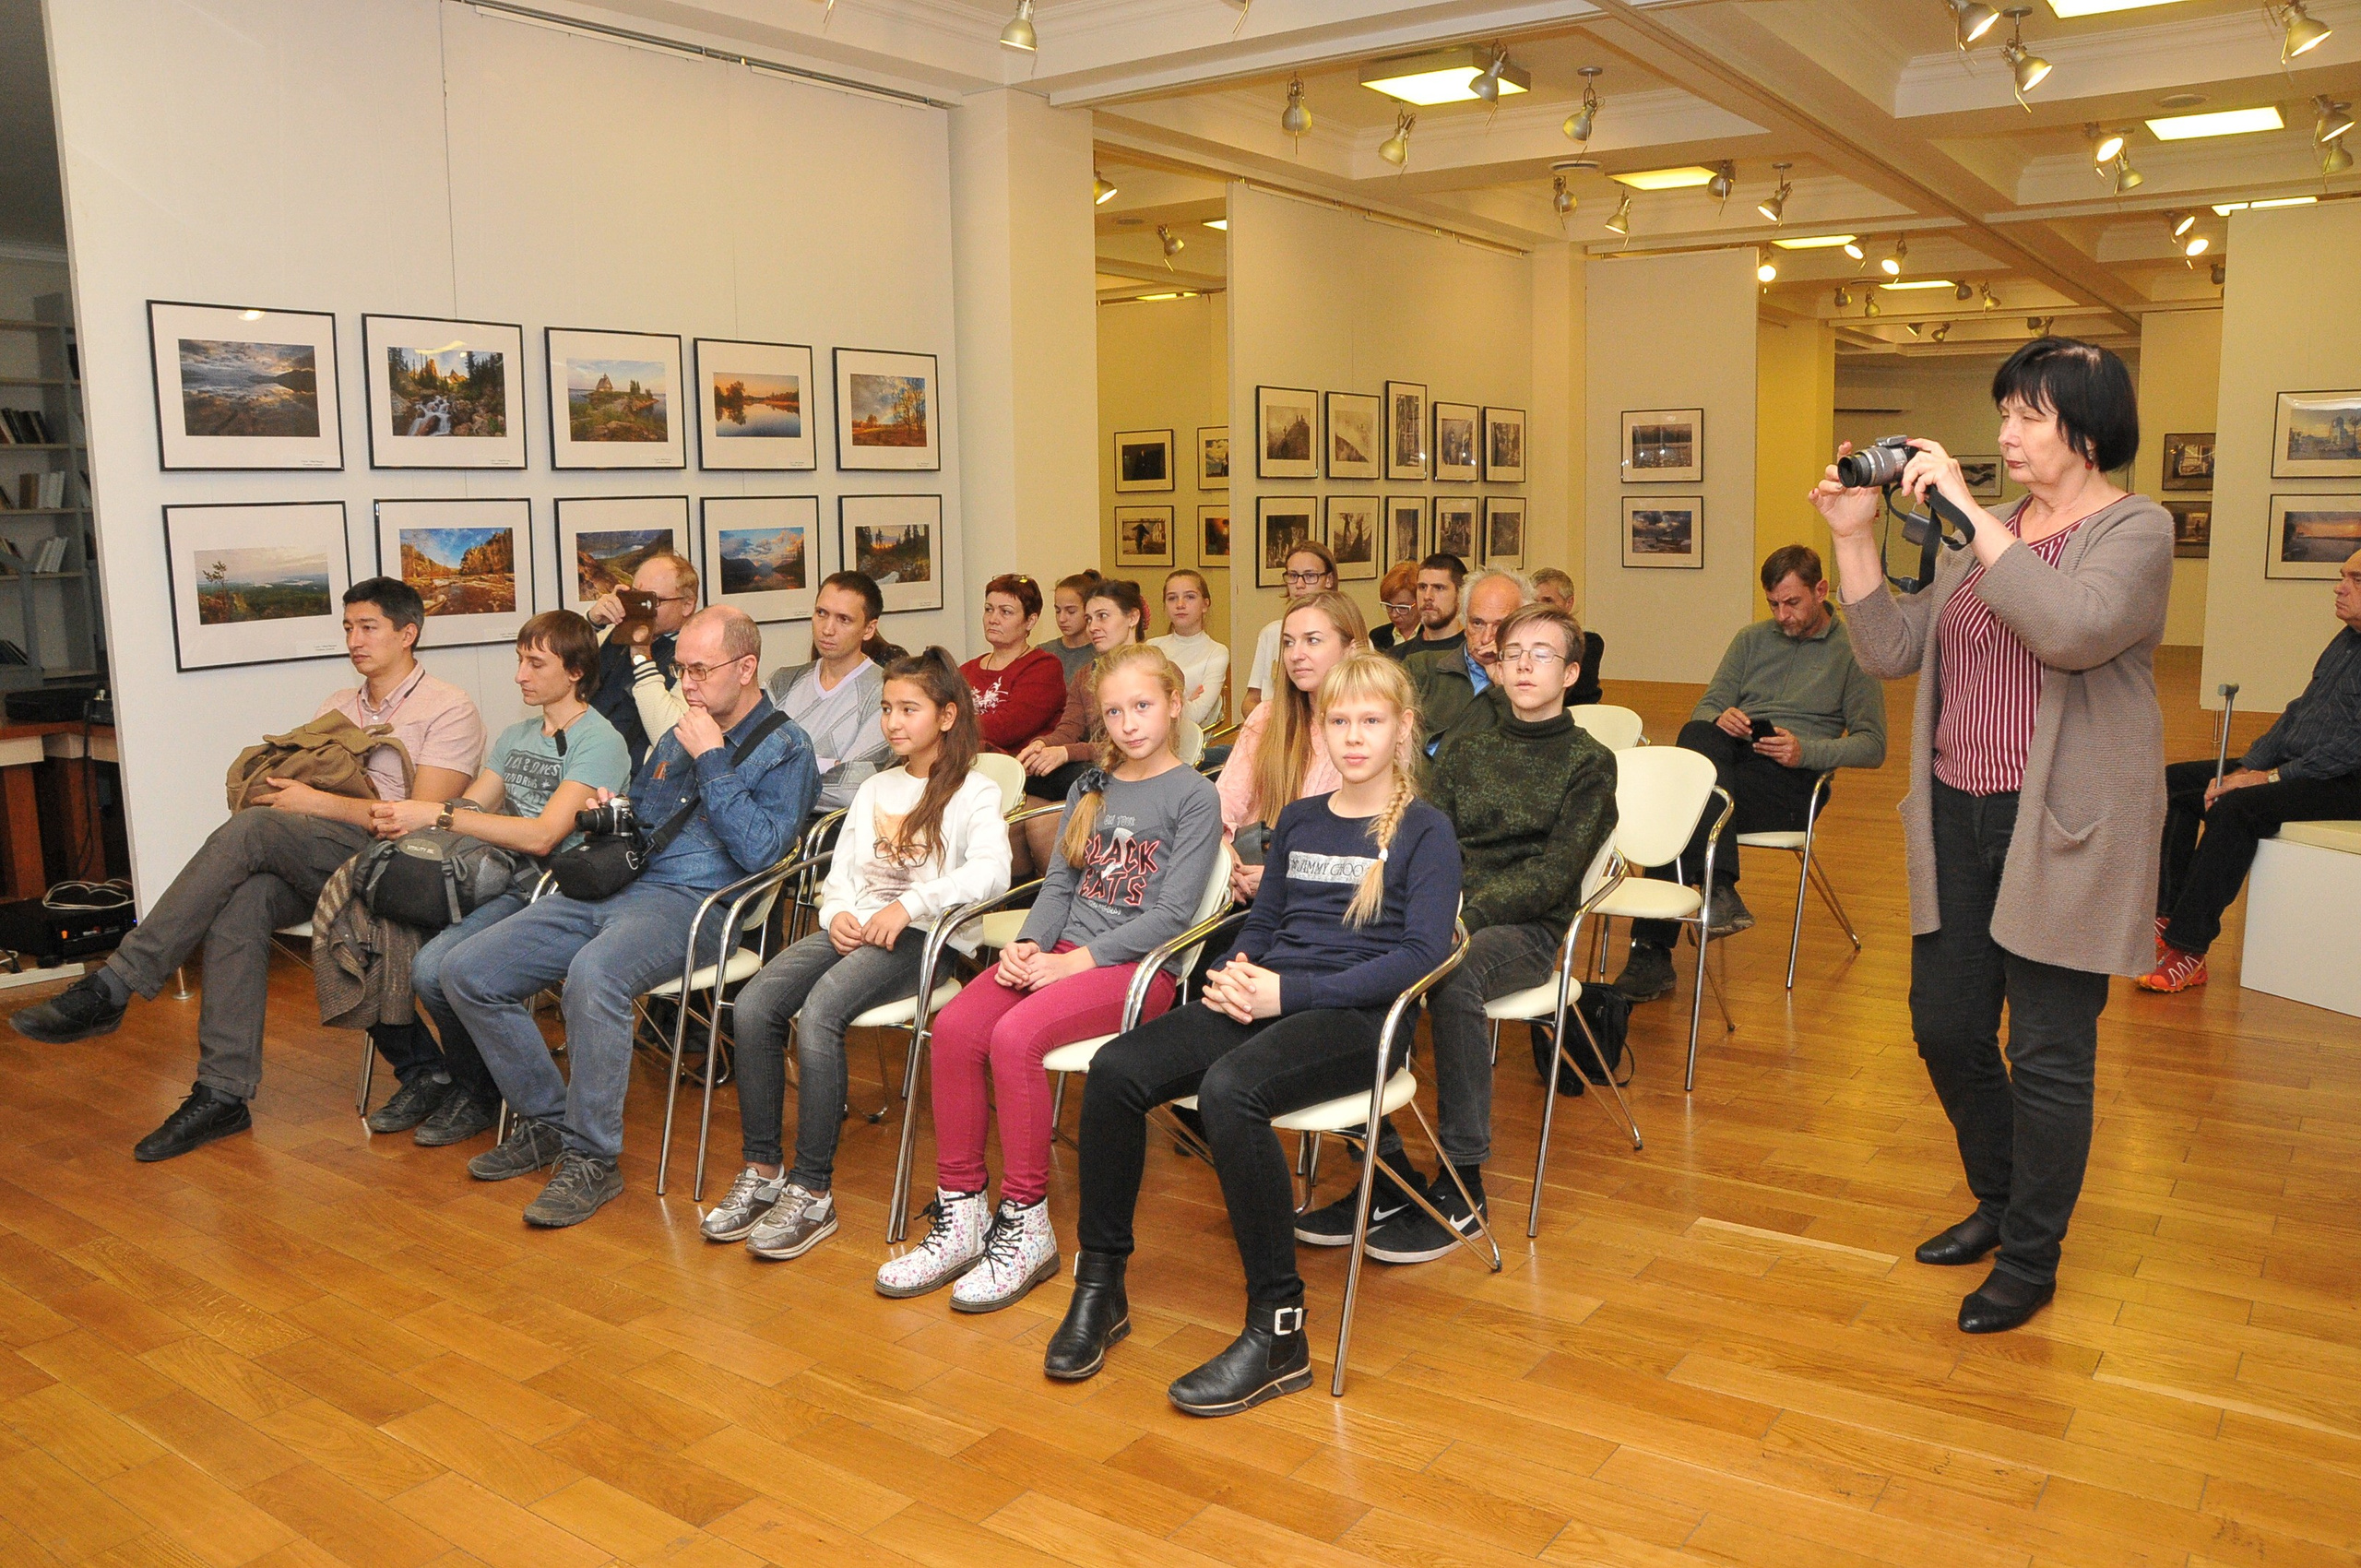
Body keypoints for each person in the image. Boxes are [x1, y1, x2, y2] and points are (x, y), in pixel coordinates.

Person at [1811, 335, 2171, 1335]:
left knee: (2050, 1049)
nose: (2005, 432)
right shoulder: (1989, 529)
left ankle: (2030, 1252)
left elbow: (2068, 628)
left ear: (2087, 429)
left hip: (2062, 822)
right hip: (1954, 809)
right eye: (2003, 411)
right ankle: (2001, 1196)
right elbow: (1890, 647)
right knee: (1948, 1027)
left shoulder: (2135, 528)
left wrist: (1969, 520)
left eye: (2027, 414)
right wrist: (1852, 535)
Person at [1047, 651, 1460, 1413]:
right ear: (1320, 730)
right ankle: (1101, 1285)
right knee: (1115, 1070)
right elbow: (1263, 923)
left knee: (1230, 1091)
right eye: (1339, 722)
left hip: (1358, 1019)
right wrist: (1235, 972)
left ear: (1404, 729)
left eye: (1371, 721)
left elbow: (1421, 955)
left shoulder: (1427, 831)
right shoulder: (1300, 819)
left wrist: (1287, 993)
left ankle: (1279, 1328)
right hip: (1267, 996)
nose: (1354, 737)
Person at [12, 579, 485, 1162]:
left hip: (403, 869)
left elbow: (421, 823)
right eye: (346, 627)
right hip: (331, 859)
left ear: (408, 633)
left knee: (256, 830)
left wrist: (314, 803)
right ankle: (222, 1093)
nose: (353, 640)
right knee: (244, 903)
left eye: (368, 627)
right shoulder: (337, 705)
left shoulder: (450, 706)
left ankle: (116, 983)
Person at [444, 606, 819, 1229]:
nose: (687, 684)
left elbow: (760, 852)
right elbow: (646, 813)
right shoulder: (681, 731)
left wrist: (716, 761)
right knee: (467, 969)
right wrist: (612, 809)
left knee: (595, 975)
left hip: (696, 907)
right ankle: (547, 1120)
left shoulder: (786, 747)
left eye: (700, 670)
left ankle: (593, 1158)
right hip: (621, 884)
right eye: (681, 670)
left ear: (746, 667)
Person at [876, 643, 1222, 1311]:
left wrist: (1073, 964)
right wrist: (1030, 946)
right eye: (1114, 711)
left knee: (1014, 1039)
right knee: (955, 1029)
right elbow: (1058, 885)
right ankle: (963, 1211)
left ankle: (1026, 1222)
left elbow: (1175, 915)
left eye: (1143, 706)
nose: (1128, 723)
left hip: (1133, 971)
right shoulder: (1091, 785)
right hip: (1060, 949)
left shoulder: (1194, 796)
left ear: (1175, 706)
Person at [1299, 603, 1617, 1264]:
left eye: (1544, 654)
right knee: (1355, 958)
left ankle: (1464, 1181)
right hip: (1443, 910)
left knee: (1453, 972)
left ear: (1573, 672)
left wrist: (1461, 919)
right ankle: (1384, 1171)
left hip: (1522, 930)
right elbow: (1424, 834)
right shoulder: (1470, 746)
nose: (1525, 664)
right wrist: (1412, 906)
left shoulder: (1590, 762)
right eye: (1513, 652)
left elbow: (1555, 875)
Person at [699, 649, 1011, 1260]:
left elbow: (992, 874)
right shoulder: (875, 787)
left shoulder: (973, 791)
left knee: (819, 1013)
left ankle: (813, 1192)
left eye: (909, 710)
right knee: (755, 1001)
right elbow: (841, 876)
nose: (893, 722)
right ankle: (763, 1171)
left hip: (923, 940)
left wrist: (912, 905)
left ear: (948, 716)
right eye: (888, 708)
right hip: (859, 927)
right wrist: (834, 913)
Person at [360, 611, 633, 1146]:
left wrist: (438, 816)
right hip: (493, 873)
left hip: (550, 887)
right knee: (394, 947)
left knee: (436, 969)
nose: (520, 675)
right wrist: (415, 819)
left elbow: (544, 837)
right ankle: (466, 1084)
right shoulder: (516, 735)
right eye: (520, 661)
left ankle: (490, 1094)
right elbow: (474, 802)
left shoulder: (602, 741)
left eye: (535, 663)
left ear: (575, 671)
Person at [1615, 545, 1889, 1002]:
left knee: (1680, 808)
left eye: (1793, 602)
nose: (1783, 616)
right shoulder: (1750, 639)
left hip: (1795, 778)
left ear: (1821, 590)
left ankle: (1650, 954)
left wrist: (1805, 751)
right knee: (1697, 736)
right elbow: (1704, 710)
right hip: (1738, 761)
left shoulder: (1855, 651)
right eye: (1773, 605)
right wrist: (1724, 718)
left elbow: (1873, 746)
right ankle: (1719, 886)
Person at [2141, 547, 2361, 992]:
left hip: (2346, 781)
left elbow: (2350, 750)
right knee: (2176, 783)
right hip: (2301, 765)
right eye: (2343, 576)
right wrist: (2248, 764)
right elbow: (2298, 713)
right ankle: (2167, 915)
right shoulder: (2347, 639)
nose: (2340, 587)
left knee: (2237, 806)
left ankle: (2189, 947)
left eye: (2356, 580)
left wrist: (2269, 777)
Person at [1218, 592, 1365, 903]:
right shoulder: (1267, 717)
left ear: (1351, 649)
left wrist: (1279, 876)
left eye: (1312, 641)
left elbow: (1361, 844)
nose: (1296, 654)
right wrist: (1223, 853)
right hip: (1243, 882)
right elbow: (1223, 803)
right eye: (1288, 642)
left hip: (1325, 899)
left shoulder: (1373, 730)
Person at [1019, 578, 1148, 848]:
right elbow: (1068, 728)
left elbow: (1131, 746)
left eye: (1103, 616)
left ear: (1132, 617)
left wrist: (1066, 752)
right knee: (1025, 784)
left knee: (1079, 778)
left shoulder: (1155, 672)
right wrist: (1042, 745)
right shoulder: (1086, 674)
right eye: (1089, 619)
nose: (1093, 628)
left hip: (1135, 774)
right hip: (1093, 768)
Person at [768, 571, 893, 814]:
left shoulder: (885, 692)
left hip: (828, 836)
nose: (827, 629)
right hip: (765, 826)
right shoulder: (781, 682)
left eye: (843, 619)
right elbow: (748, 763)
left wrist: (777, 773)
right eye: (821, 613)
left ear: (869, 629)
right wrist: (827, 765)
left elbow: (851, 788)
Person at [582, 551, 698, 771]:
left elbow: (670, 739)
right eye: (635, 596)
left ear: (687, 604)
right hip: (583, 757)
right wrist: (592, 622)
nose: (639, 608)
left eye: (651, 600)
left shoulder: (697, 657)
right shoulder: (612, 633)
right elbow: (555, 670)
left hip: (633, 777)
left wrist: (642, 657)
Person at [1403, 566, 1525, 747]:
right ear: (1464, 622)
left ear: (1522, 626)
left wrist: (1501, 684)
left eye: (1500, 626)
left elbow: (1525, 744)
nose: (1486, 638)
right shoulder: (1422, 667)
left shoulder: (1529, 681)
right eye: (1477, 623)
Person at [961, 573, 1067, 756]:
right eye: (988, 609)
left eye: (1006, 612)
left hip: (1020, 773)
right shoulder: (966, 670)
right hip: (966, 765)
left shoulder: (1043, 667)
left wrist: (948, 726)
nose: (993, 619)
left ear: (1030, 621)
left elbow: (1006, 728)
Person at [1241, 543, 1338, 719]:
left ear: (1329, 579)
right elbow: (1250, 700)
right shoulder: (1271, 633)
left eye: (1310, 576)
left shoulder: (1345, 633)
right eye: (1293, 576)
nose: (1299, 584)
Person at [1149, 568, 1229, 730]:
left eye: (1190, 597)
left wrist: (1159, 701)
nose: (1180, 605)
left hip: (1191, 748)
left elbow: (1197, 714)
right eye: (1172, 598)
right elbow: (1140, 707)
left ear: (1205, 605)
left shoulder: (1216, 652)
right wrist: (1185, 700)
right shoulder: (1152, 647)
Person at [1531, 567, 1606, 707]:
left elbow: (1579, 695)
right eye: (1535, 602)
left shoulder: (1588, 642)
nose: (1540, 608)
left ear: (1568, 603)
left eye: (1548, 601)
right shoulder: (1520, 642)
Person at [1386, 552, 1465, 661]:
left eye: (1439, 588)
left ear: (1460, 594)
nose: (1427, 596)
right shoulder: (1395, 657)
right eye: (1422, 587)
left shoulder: (1475, 655)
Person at [1040, 570, 1104, 682]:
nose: (1062, 619)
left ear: (1088, 609)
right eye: (1058, 611)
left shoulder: (1101, 653)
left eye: (1071, 611)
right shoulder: (1044, 652)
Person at [1370, 562, 1420, 654]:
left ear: (1420, 602)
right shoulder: (1377, 637)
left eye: (1402, 607)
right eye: (1389, 606)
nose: (1394, 614)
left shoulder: (1431, 636)